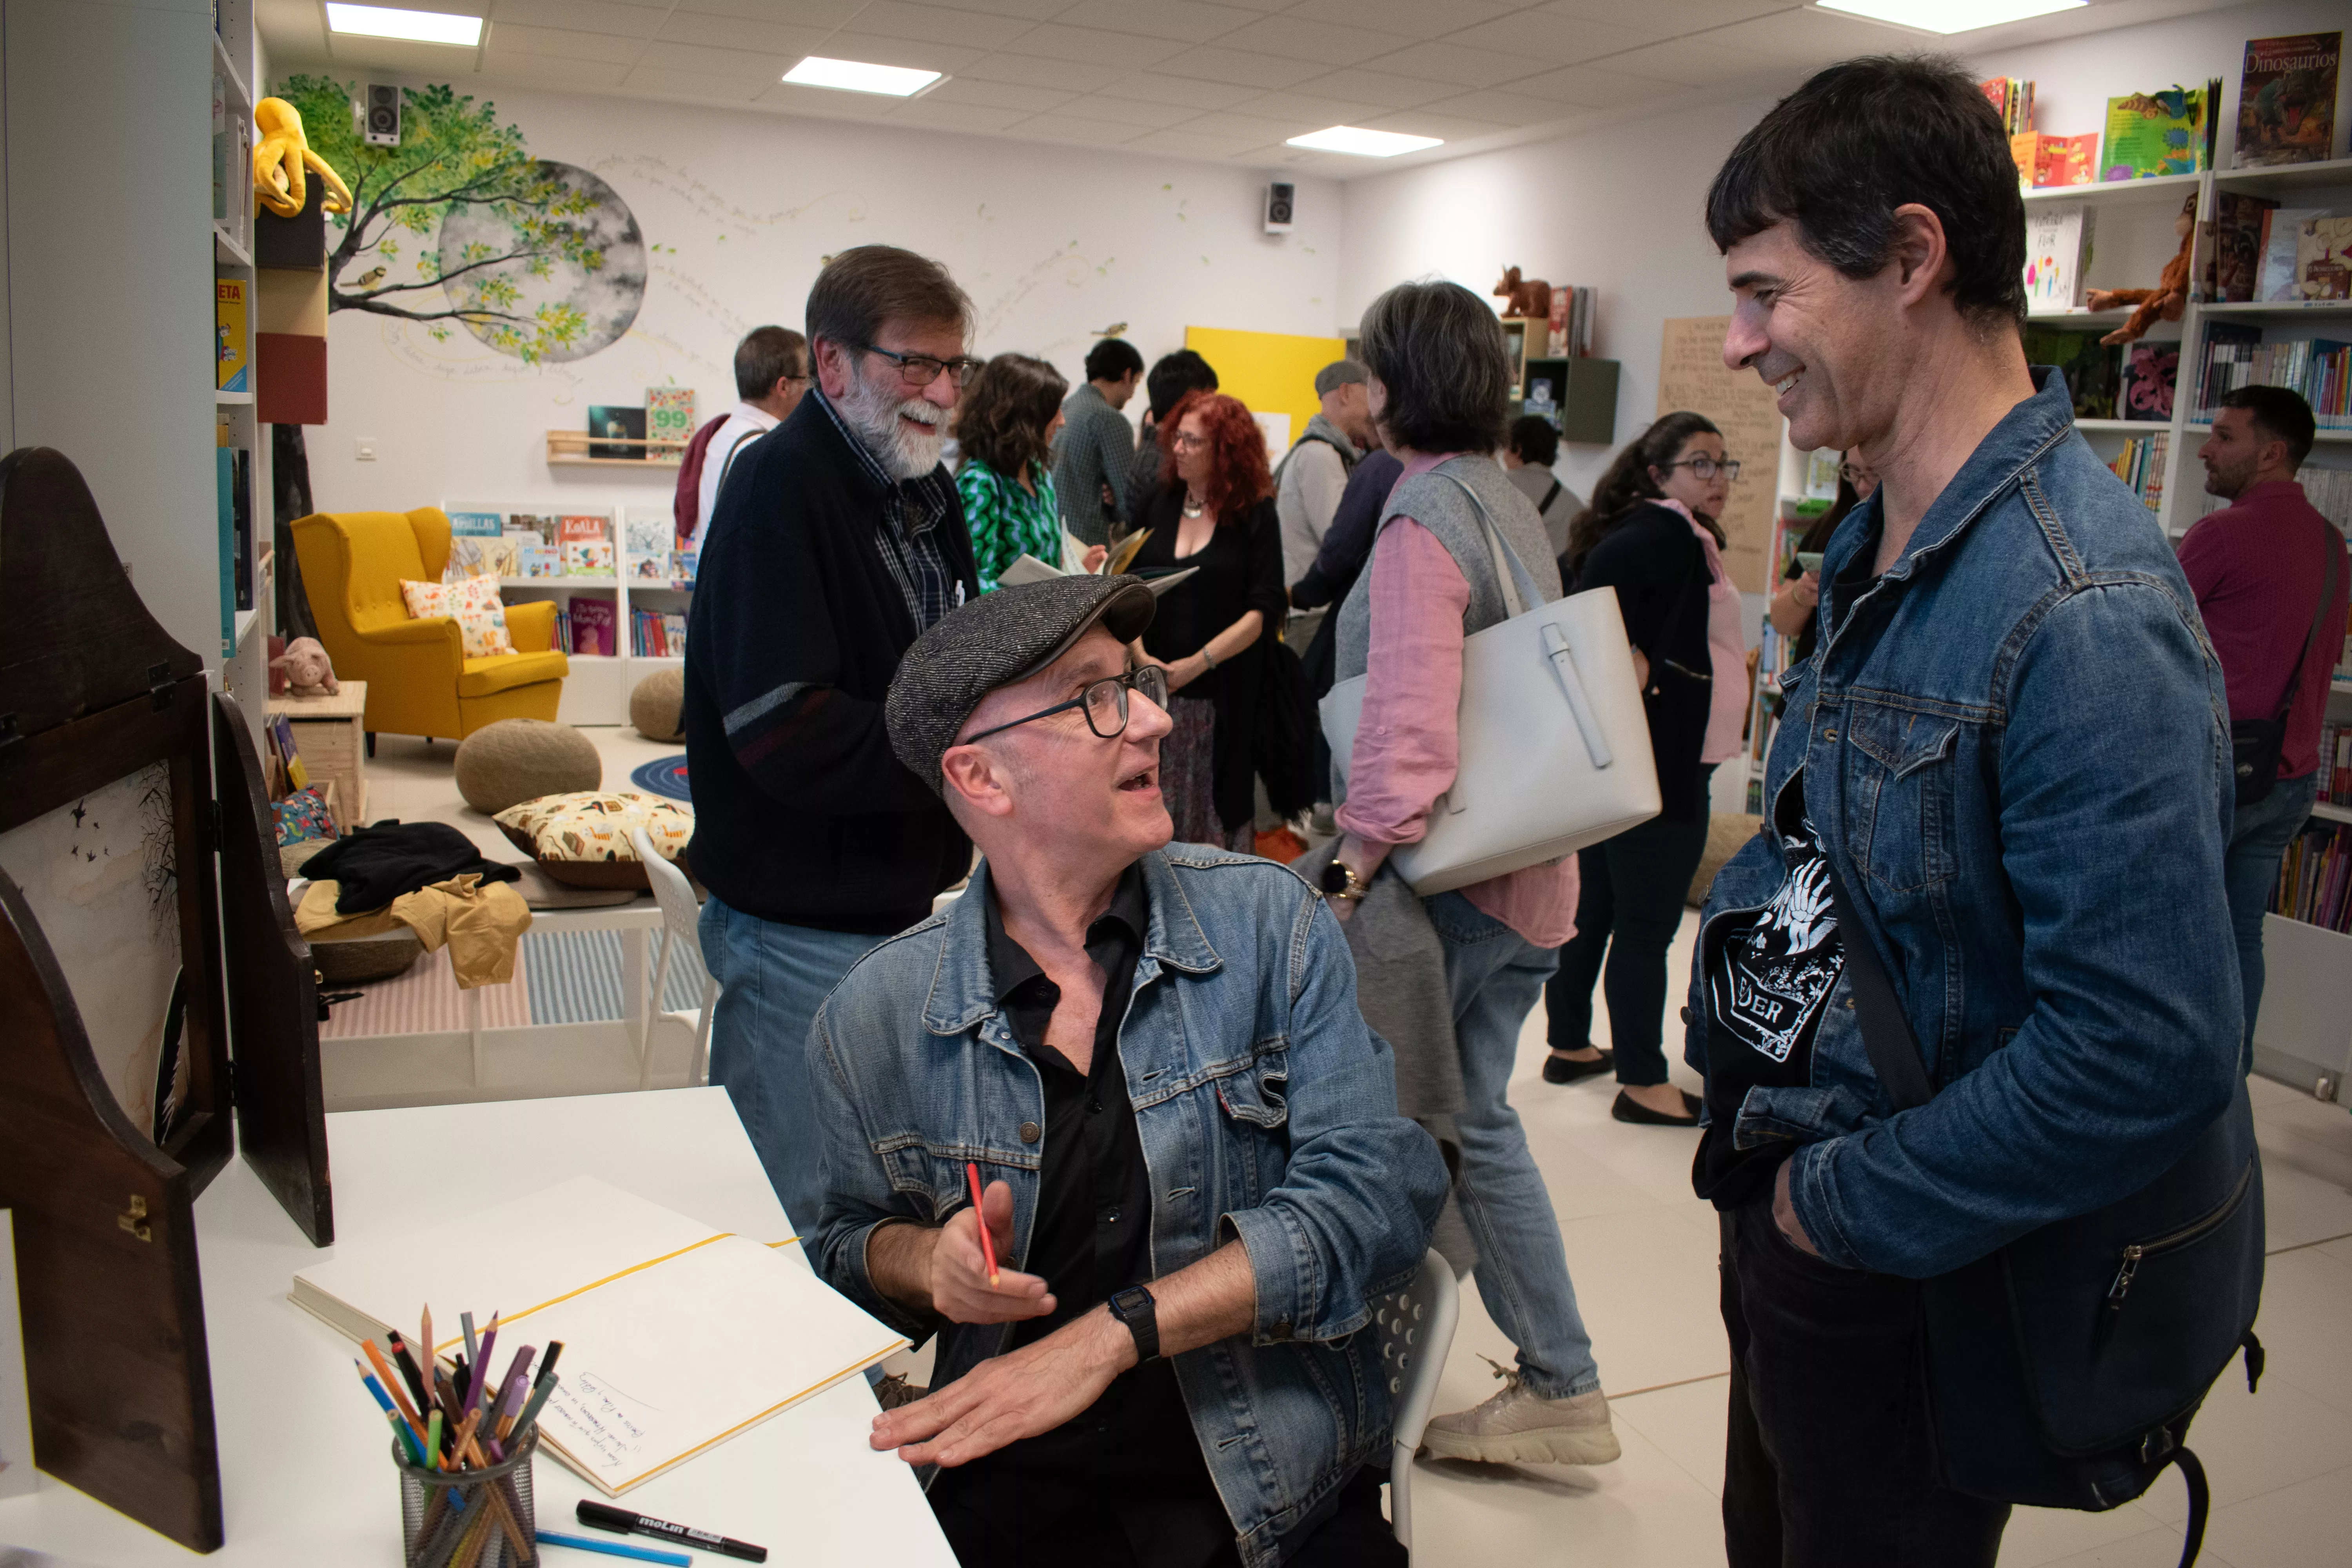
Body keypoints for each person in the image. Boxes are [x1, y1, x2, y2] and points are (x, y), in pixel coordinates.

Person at [1695, 56, 2239, 1566]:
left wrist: (1832, 1206)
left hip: (1908, 1262)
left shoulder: (2081, 611)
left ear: (1914, 257)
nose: (1738, 345)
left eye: (1763, 292)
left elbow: (2145, 1045)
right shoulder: (1877, 540)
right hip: (1802, 1218)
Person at [811, 573, 1448, 1568]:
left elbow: (1380, 1199)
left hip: (1272, 1479)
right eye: (1099, 695)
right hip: (1011, 1479)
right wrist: (924, 1262)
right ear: (981, 778)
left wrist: (1116, 1332)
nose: (1154, 718)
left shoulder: (1269, 927)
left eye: (1139, 682)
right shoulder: (876, 1018)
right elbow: (846, 1243)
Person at [1325, 278, 1621, 1472]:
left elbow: (1406, 733)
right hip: (1528, 877)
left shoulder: (1417, 519)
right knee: (1472, 1120)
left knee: (1434, 1125)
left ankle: (1533, 1374)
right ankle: (1542, 1370)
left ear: (1391, 386)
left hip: (1454, 889)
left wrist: (1347, 867)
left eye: (1364, 370)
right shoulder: (1499, 494)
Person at [684, 245, 984, 1230]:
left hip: (894, 905)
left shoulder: (924, 494)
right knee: (793, 1208)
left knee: (864, 1197)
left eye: (956, 368)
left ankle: (852, 1384)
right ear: (832, 364)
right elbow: (785, 730)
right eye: (917, 364)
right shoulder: (781, 488)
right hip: (797, 923)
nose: (941, 391)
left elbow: (939, 667)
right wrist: (966, 755)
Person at [1544, 413, 1738, 1125]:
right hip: (1661, 761)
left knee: (1597, 909)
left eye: (1724, 465)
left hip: (1636, 759)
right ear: (1660, 475)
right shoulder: (1662, 535)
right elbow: (1596, 607)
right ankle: (1643, 1079)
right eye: (1701, 465)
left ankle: (1569, 1044)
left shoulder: (1659, 530)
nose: (1717, 479)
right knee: (1647, 924)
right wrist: (1624, 654)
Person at [2182, 385, 2349, 1063]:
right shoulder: (2334, 544)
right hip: (2292, 775)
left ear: (2272, 452)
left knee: (2175, 937)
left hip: (2218, 771)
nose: (2205, 450)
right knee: (2242, 934)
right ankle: (2229, 1081)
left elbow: (2138, 633)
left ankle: (2173, 1090)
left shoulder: (2221, 535)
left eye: (2224, 437)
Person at [1124, 389, 1285, 851]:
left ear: (1225, 451)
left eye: (1192, 442)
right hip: (1152, 695)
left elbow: (1263, 609)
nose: (1178, 449)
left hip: (1221, 699)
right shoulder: (1160, 501)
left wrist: (1199, 662)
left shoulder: (1254, 512)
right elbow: (1129, 584)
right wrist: (1142, 657)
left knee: (1214, 816)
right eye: (1177, 438)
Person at [684, 326, 811, 553]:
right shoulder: (765, 451)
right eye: (808, 379)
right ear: (784, 387)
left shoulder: (723, 434)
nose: (812, 390)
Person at [956, 353, 1069, 592]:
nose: (1062, 421)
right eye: (1055, 411)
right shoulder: (981, 483)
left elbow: (1046, 561)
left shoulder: (1040, 475)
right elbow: (972, 583)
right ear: (1028, 417)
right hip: (1010, 626)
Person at [1766, 450, 1877, 663]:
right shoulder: (1829, 526)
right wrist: (1802, 594)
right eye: (1853, 472)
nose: (1862, 486)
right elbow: (1780, 622)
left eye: (1873, 474)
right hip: (1810, 676)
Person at [1275, 360, 1375, 588]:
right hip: (1312, 610)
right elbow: (1340, 537)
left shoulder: (1318, 451)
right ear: (1345, 392)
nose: (1374, 409)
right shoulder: (1320, 456)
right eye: (1370, 394)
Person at [1050, 337, 1143, 546]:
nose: (1131, 395)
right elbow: (1128, 499)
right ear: (1127, 375)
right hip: (1086, 546)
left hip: (1051, 537)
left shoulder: (1064, 408)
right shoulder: (1109, 420)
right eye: (1136, 383)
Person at [1127, 349, 1218, 526]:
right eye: (1207, 401)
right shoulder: (1163, 464)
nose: (1213, 410)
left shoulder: (1157, 451)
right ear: (1184, 404)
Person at [1501, 415, 1586, 559]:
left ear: (1518, 450)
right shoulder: (1575, 505)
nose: (1503, 456)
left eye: (1506, 448)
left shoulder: (1500, 488)